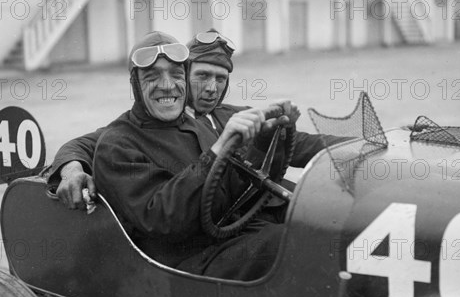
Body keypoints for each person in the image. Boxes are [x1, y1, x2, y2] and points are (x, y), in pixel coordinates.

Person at [57, 31, 296, 280]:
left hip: (226, 238)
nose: (167, 85)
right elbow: (162, 220)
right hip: (182, 267)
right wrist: (216, 152)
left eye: (176, 74)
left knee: (314, 224)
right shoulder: (117, 144)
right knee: (295, 244)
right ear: (136, 85)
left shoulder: (196, 125)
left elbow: (233, 192)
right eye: (152, 77)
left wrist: (263, 143)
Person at [48, 29, 347, 210]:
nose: (211, 87)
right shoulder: (135, 131)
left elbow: (305, 145)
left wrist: (357, 145)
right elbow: (83, 145)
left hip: (258, 206)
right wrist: (71, 170)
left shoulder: (234, 115)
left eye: (220, 78)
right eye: (202, 76)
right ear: (185, 75)